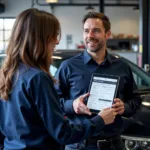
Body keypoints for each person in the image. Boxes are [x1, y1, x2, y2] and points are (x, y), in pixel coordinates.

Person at [0, 8, 116, 150]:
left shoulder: (9, 73)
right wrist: (100, 120)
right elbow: (64, 134)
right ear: (39, 38)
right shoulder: (38, 78)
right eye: (53, 35)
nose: (57, 41)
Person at [55, 11, 141, 150]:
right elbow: (52, 103)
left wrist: (125, 107)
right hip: (78, 145)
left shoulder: (122, 67)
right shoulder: (68, 67)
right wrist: (72, 105)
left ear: (108, 34)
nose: (90, 36)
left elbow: (135, 99)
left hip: (114, 145)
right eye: (86, 31)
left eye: (96, 31)